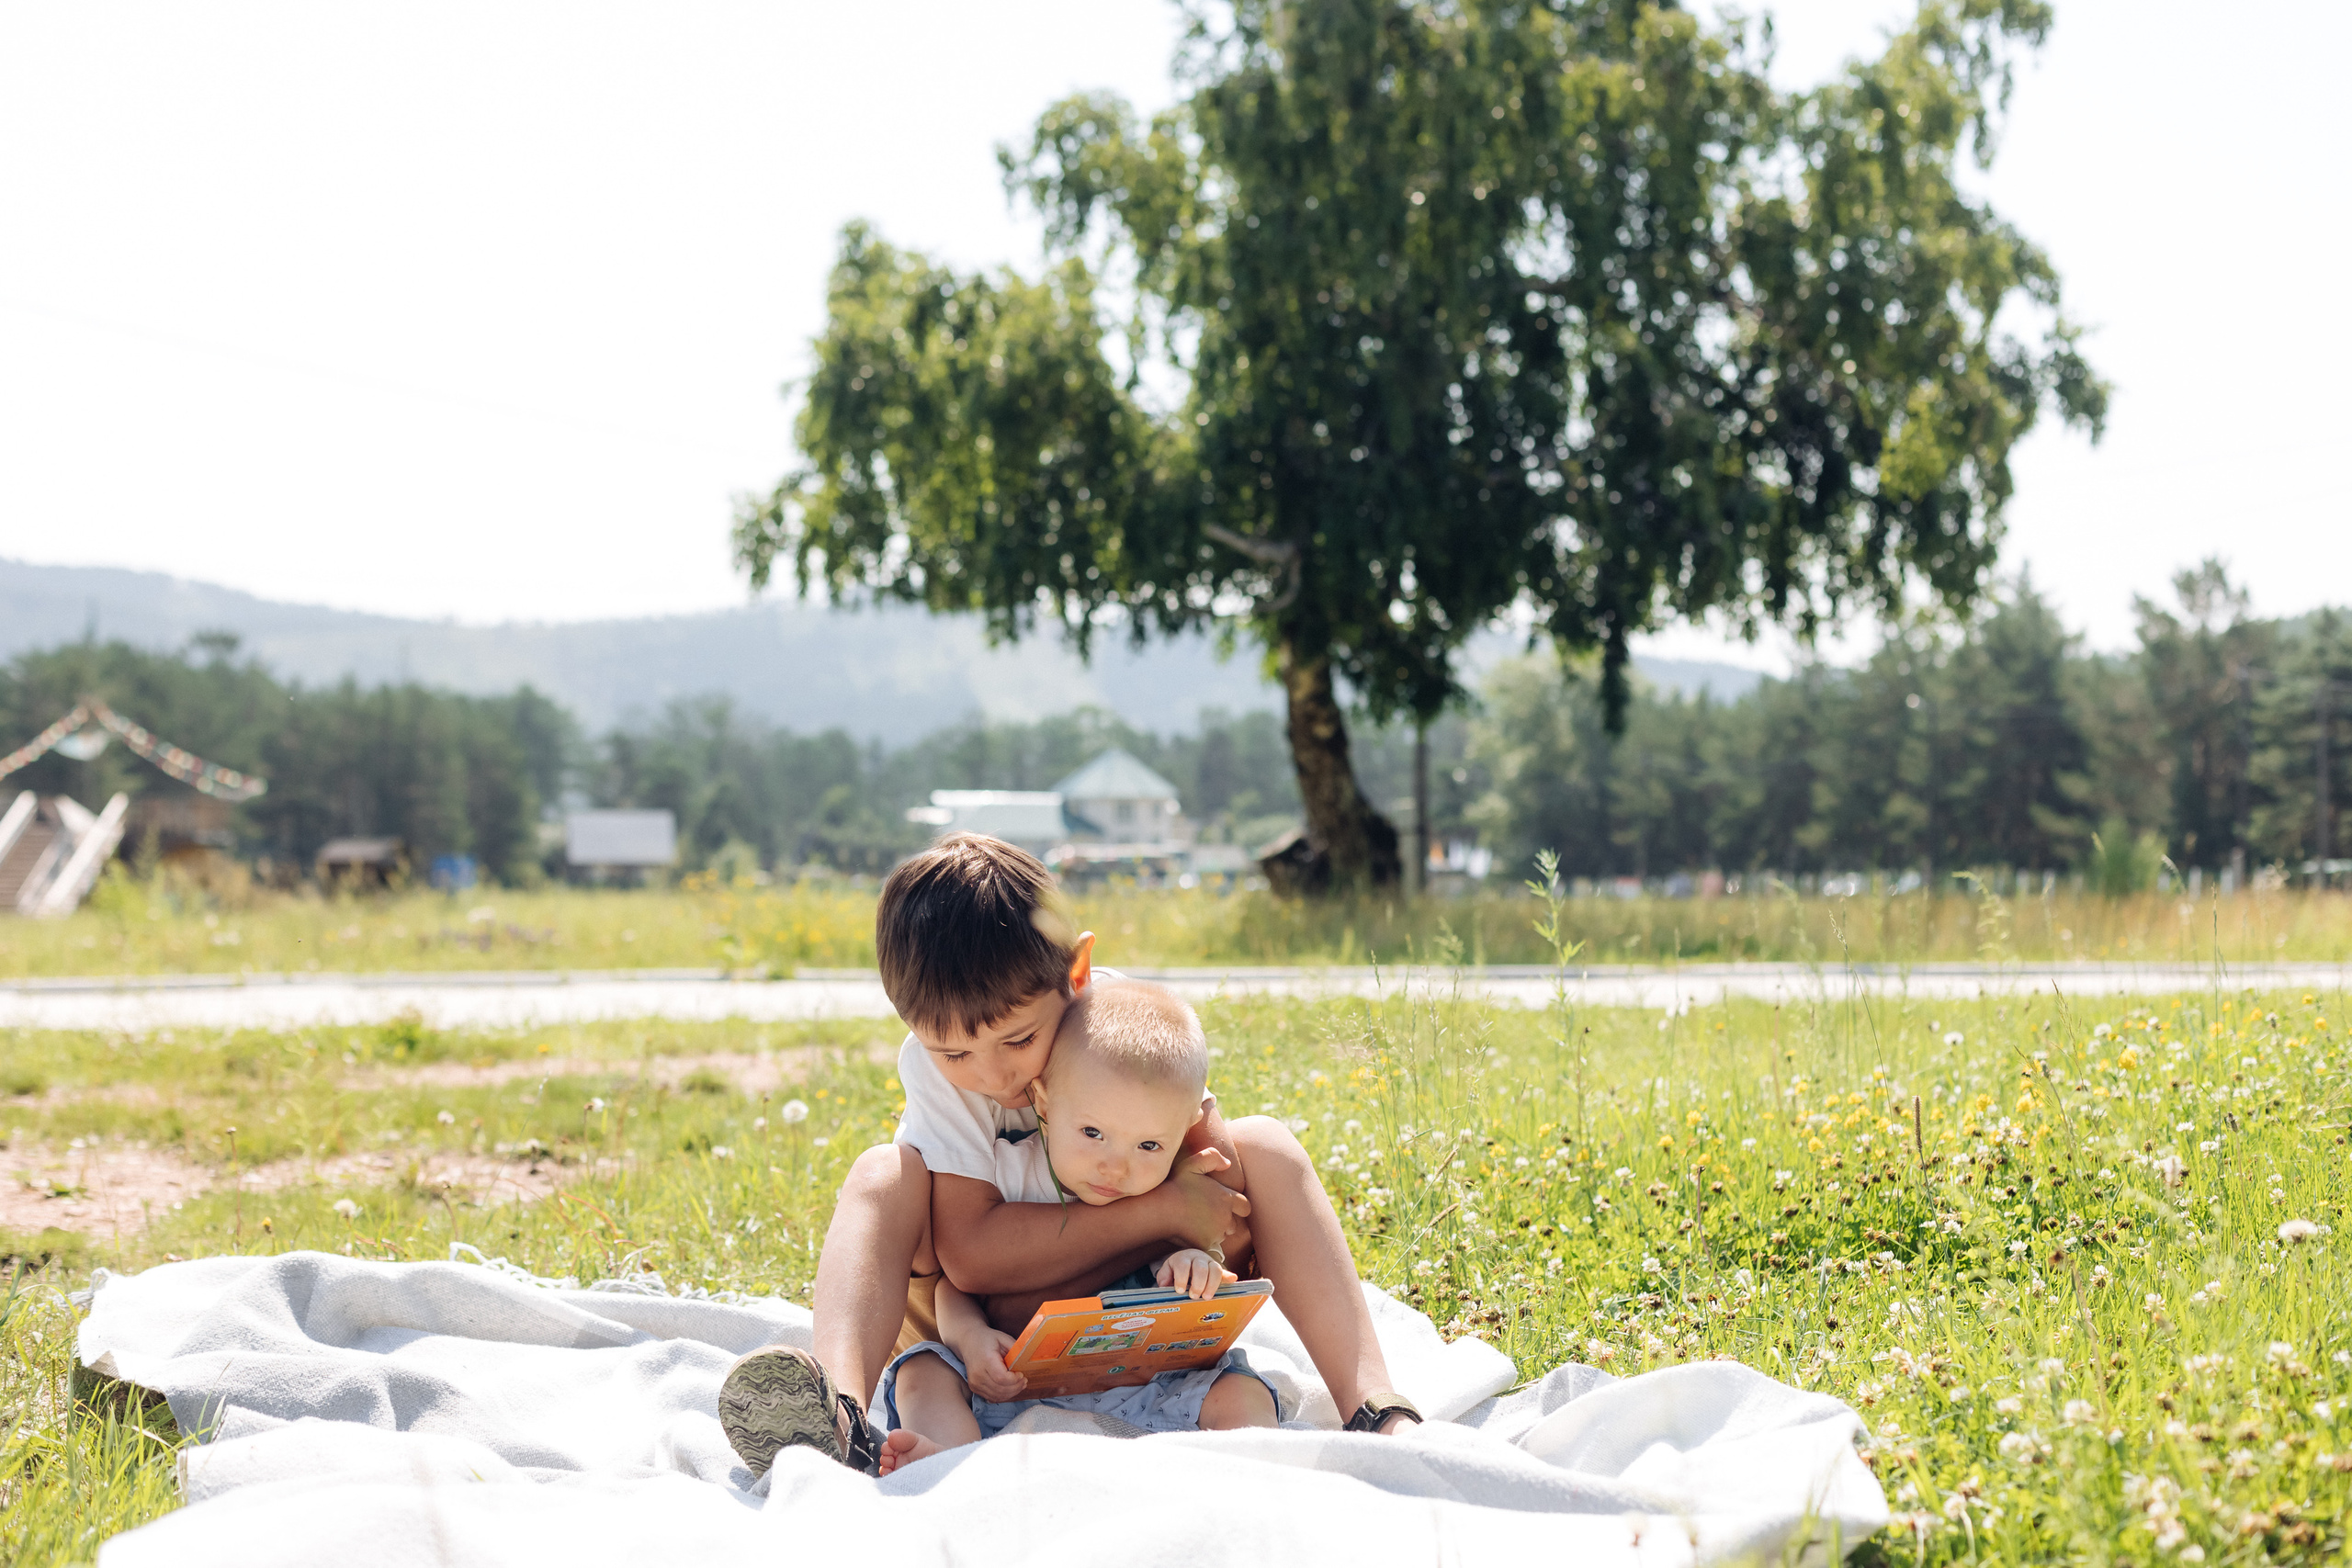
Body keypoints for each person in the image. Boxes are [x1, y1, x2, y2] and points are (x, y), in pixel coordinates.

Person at [717, 834, 1421, 1475]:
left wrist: (1189, 1233)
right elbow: (971, 1259)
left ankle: (1373, 1403)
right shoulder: (938, 1077)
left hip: (1130, 1307)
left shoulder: (1124, 1028)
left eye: (1019, 1039)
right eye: (953, 1050)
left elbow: (1223, 1201)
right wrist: (1162, 1208)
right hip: (973, 1315)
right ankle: (836, 1411)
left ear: (1076, 973)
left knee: (1267, 1141)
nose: (995, 1076)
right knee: (881, 1170)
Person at [869, 980, 1280, 1473]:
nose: (1114, 1166)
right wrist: (970, 1337)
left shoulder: (1164, 1184)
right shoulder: (1007, 1176)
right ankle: (947, 1461)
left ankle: (1254, 1462)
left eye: (1148, 1146)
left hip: (1138, 1386)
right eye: (1092, 1134)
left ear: (1184, 1129)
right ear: (1044, 1105)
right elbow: (956, 1285)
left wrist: (1191, 1265)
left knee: (1240, 1388)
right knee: (924, 1372)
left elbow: (1180, 1259)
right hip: (1011, 1386)